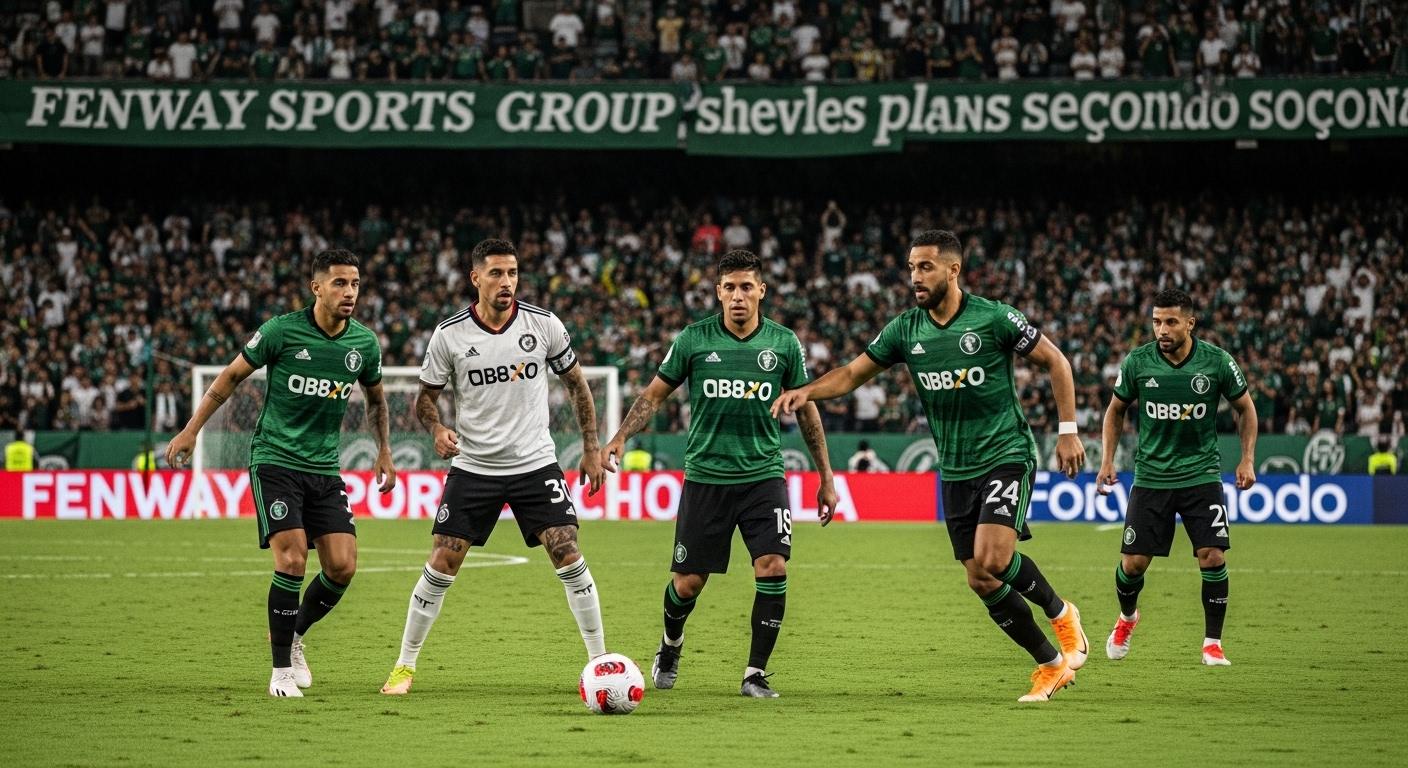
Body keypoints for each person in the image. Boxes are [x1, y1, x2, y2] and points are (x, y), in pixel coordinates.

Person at [772, 229, 1089, 703]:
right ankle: (1050, 665)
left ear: (953, 269)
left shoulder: (994, 318)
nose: (915, 277)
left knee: (994, 558)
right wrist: (806, 391)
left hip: (1005, 454)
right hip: (956, 469)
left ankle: (1062, 614)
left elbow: (1057, 362)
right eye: (911, 268)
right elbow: (853, 373)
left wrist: (1067, 431)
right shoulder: (906, 329)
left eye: (925, 267)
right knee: (980, 578)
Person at [604, 249, 838, 699]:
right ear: (718, 292)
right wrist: (620, 437)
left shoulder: (784, 344)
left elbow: (807, 411)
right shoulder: (694, 339)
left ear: (761, 291)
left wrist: (825, 476)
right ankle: (671, 644)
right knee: (687, 584)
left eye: (746, 287)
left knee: (772, 565)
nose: (737, 296)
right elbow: (654, 395)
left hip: (763, 477)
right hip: (706, 478)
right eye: (729, 287)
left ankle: (754, 674)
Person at [381, 238, 609, 695]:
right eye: (497, 274)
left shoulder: (544, 325)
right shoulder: (449, 335)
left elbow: (578, 386)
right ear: (476, 278)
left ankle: (600, 662)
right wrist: (436, 428)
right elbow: (425, 399)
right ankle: (404, 666)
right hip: (474, 467)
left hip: (535, 464)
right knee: (443, 559)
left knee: (567, 550)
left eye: (513, 273)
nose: (507, 282)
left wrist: (590, 446)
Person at [166, 249, 395, 698]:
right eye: (339, 283)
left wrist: (384, 450)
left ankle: (294, 637)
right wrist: (192, 430)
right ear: (316, 287)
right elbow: (230, 377)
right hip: (275, 460)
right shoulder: (281, 331)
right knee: (291, 560)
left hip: (324, 468)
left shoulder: (364, 344)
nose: (349, 292)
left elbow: (376, 401)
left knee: (343, 567)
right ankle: (280, 673)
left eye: (355, 284)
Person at [1097, 288, 1258, 667]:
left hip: (1201, 475)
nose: (1162, 330)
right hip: (1151, 478)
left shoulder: (1217, 362)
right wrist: (1107, 461)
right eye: (1156, 322)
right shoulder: (1138, 362)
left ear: (1190, 323)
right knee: (1133, 565)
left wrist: (1247, 459)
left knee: (1212, 556)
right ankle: (1127, 618)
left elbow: (1246, 409)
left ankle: (1212, 644)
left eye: (1171, 322)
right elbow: (1115, 410)